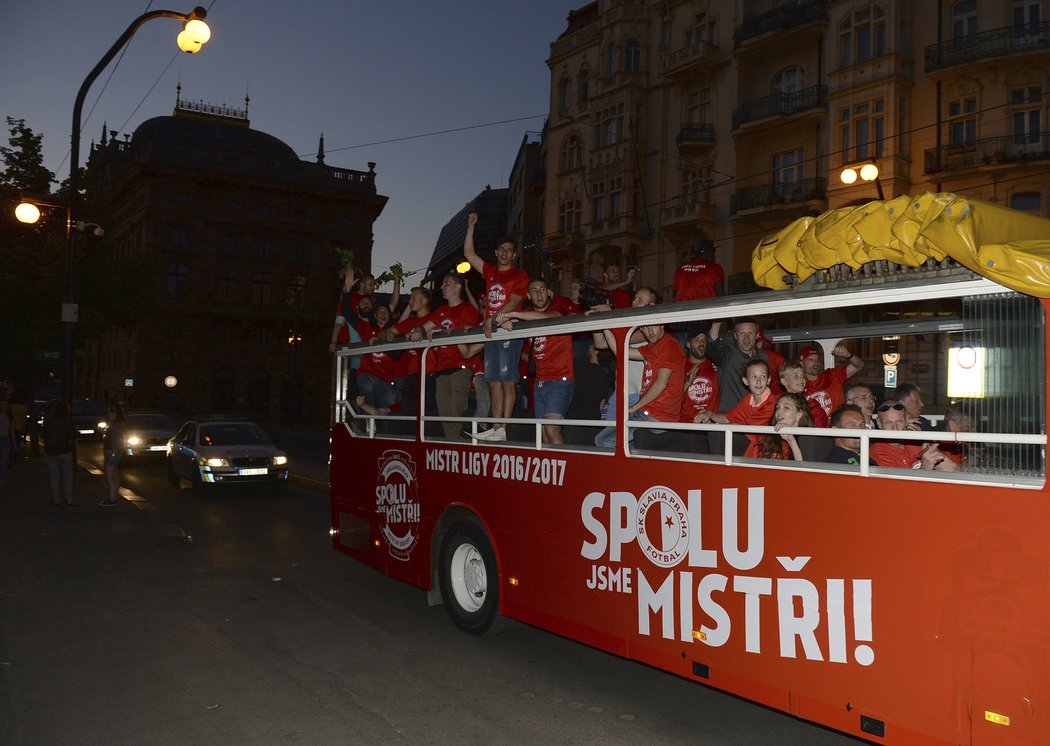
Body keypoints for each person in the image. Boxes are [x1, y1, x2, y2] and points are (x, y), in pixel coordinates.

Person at [462, 212, 529, 442]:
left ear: (514, 254)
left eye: (509, 250)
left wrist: (493, 317)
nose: (504, 253)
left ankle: (504, 427)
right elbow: (469, 254)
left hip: (508, 329)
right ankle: (494, 425)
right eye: (501, 249)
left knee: (507, 379)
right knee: (492, 380)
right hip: (491, 333)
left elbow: (513, 300)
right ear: (496, 252)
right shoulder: (490, 271)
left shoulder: (519, 275)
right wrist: (471, 227)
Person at [496, 277, 578, 444]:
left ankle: (565, 468)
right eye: (534, 291)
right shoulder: (527, 317)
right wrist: (511, 321)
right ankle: (552, 468)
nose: (539, 294)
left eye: (542, 289)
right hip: (540, 383)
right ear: (528, 295)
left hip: (560, 381)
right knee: (543, 436)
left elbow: (549, 317)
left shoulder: (558, 308)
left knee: (551, 429)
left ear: (549, 292)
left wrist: (513, 314)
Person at [407, 273, 479, 440]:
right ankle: (452, 448)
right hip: (441, 369)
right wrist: (418, 331)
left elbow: (465, 335)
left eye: (446, 283)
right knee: (444, 415)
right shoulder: (441, 310)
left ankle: (462, 448)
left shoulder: (467, 309)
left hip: (459, 366)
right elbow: (424, 327)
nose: (442, 287)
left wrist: (442, 332)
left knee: (456, 411)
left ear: (458, 286)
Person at [594, 323, 685, 449]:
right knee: (612, 442)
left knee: (603, 441)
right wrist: (606, 323)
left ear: (662, 325)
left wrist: (634, 407)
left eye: (653, 326)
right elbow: (620, 351)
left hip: (657, 415)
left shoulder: (669, 344)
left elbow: (661, 384)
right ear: (641, 329)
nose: (650, 332)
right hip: (649, 413)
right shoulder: (652, 347)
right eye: (645, 328)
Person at [695, 358, 776, 455]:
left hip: (763, 452)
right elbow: (727, 418)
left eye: (762, 376)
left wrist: (715, 426)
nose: (758, 381)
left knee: (718, 433)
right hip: (748, 447)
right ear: (746, 381)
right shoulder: (748, 399)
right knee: (715, 433)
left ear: (768, 380)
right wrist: (709, 414)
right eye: (754, 377)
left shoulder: (772, 403)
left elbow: (746, 427)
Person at [870, 400, 959, 471]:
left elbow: (954, 469)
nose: (895, 428)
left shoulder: (917, 442)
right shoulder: (878, 452)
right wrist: (924, 468)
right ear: (879, 423)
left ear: (907, 420)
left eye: (899, 421)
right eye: (888, 422)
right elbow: (900, 489)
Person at [707, 318, 771, 412]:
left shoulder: (763, 357)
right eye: (742, 333)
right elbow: (711, 346)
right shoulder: (727, 353)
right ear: (735, 336)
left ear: (757, 335)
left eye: (750, 333)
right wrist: (717, 323)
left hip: (754, 416)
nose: (746, 338)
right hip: (728, 418)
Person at [676, 327, 718, 453]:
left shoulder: (716, 366)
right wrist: (688, 382)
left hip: (710, 427)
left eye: (704, 340)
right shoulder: (679, 367)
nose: (701, 343)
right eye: (697, 339)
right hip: (686, 427)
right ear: (688, 344)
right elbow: (672, 399)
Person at [800, 344, 865, 421]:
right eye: (811, 360)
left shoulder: (832, 376)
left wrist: (848, 355)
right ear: (802, 363)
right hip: (814, 429)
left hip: (838, 427)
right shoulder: (799, 386)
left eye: (817, 359)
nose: (815, 363)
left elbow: (859, 365)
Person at [744, 392, 813, 461]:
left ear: (799, 414)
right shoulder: (767, 437)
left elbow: (804, 469)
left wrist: (791, 441)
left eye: (786, 408)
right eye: (778, 407)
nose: (779, 411)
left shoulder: (810, 439)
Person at [42, 400, 77, 506]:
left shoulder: (48, 420)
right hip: (65, 451)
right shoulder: (68, 420)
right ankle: (69, 499)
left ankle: (56, 499)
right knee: (68, 476)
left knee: (54, 476)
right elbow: (72, 434)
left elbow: (43, 434)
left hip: (51, 451)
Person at [779, 360, 828, 427]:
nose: (801, 379)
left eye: (802, 376)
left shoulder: (812, 405)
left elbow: (818, 431)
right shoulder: (778, 404)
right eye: (795, 376)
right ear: (783, 381)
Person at [100, 402, 127, 506]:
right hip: (113, 452)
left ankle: (112, 499)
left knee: (110, 476)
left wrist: (114, 452)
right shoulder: (117, 424)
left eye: (111, 412)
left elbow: (118, 440)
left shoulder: (117, 424)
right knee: (114, 475)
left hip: (112, 452)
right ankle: (114, 497)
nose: (109, 414)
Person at [0, 400, 14, 488]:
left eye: (6, 405)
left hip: (5, 440)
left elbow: (11, 430)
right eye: (2, 405)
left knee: (3, 461)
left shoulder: (10, 417)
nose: (4, 407)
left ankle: (1, 479)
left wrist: (14, 444)